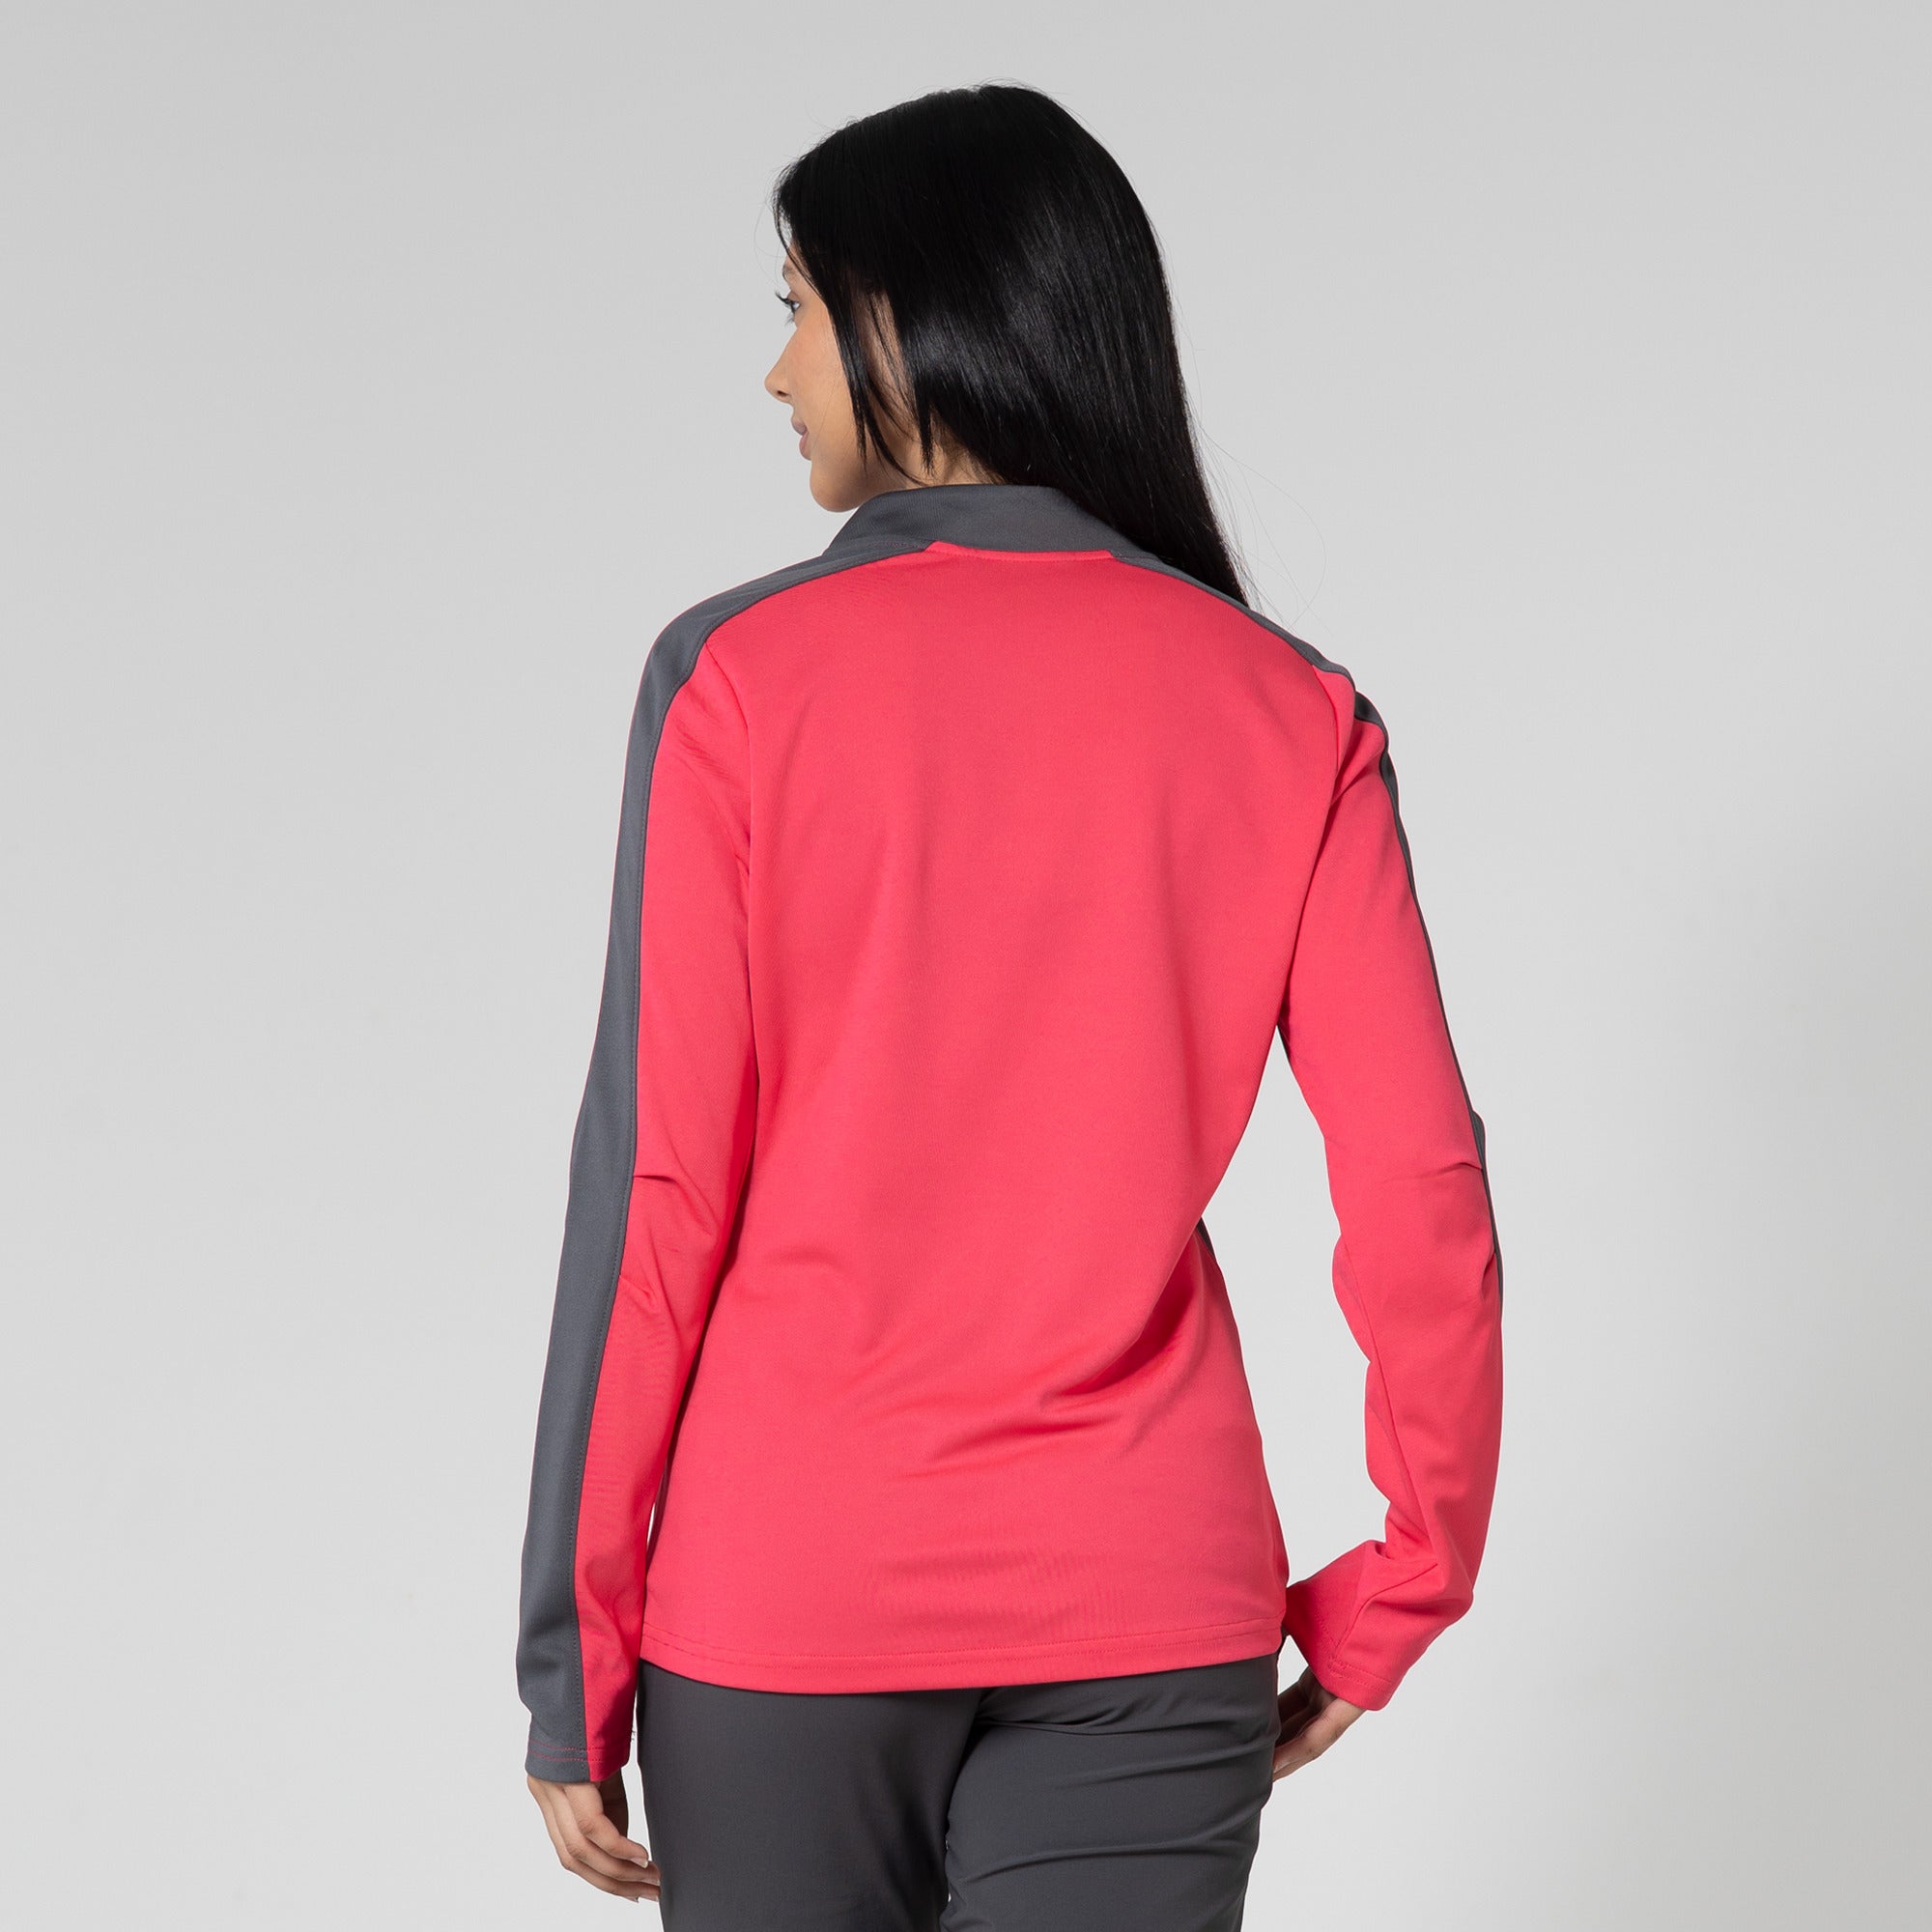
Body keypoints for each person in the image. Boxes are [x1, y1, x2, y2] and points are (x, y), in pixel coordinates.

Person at [517, 81, 1504, 1930]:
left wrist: (574, 1658)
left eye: (798, 309)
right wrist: (1402, 1584)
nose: (777, 371)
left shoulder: (736, 678)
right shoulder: (1289, 707)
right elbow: (1422, 1185)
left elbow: (656, 1190)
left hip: (791, 1595)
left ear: (907, 321)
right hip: (1147, 1596)